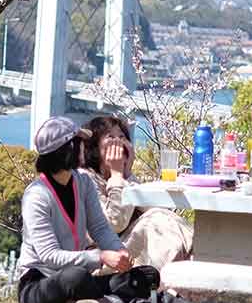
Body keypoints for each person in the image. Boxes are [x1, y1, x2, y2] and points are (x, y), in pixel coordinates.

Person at [15, 116, 133, 303]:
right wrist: (101, 256)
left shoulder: (83, 182)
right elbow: (49, 256)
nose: (84, 148)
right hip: (40, 283)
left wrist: (119, 250)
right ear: (69, 148)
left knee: (146, 276)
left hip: (80, 275)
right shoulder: (36, 195)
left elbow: (99, 227)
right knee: (75, 277)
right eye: (79, 142)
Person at [76, 113, 195, 268]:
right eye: (110, 137)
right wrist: (118, 175)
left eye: (122, 137)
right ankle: (170, 282)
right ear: (94, 147)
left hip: (124, 250)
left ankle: (189, 270)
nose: (118, 141)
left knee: (160, 217)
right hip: (104, 259)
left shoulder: (120, 177)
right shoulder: (85, 179)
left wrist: (127, 175)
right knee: (154, 221)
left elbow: (154, 209)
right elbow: (113, 224)